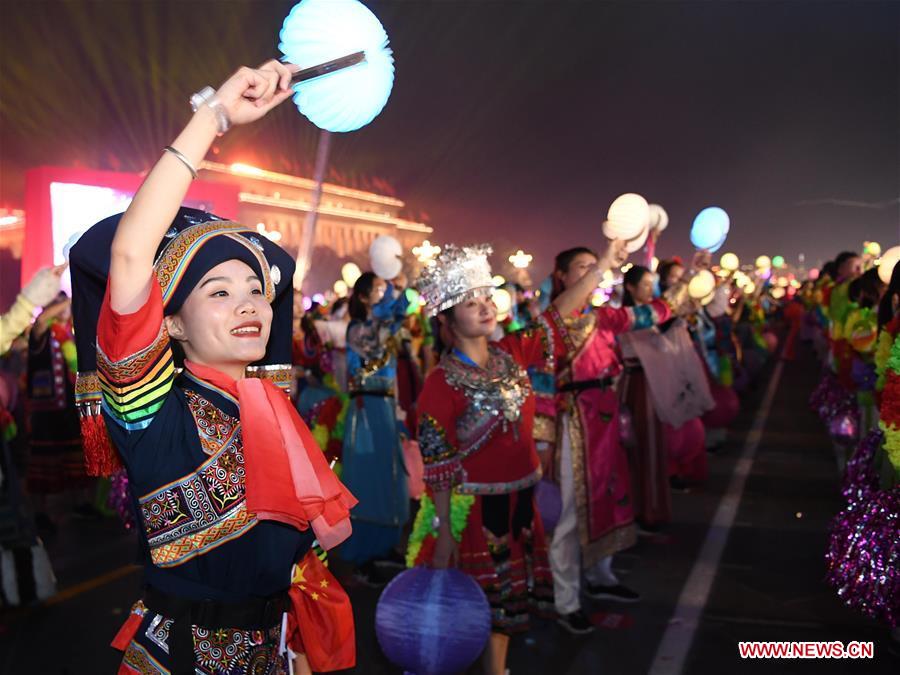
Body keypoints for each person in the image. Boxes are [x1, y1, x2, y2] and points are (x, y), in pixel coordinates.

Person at [69, 61, 355, 674]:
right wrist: (215, 117)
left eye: (255, 289)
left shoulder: (276, 411)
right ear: (169, 322)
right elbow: (129, 254)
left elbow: (298, 562)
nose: (250, 303)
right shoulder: (154, 411)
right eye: (218, 292)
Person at [410, 241, 625, 673]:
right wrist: (445, 535)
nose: (486, 308)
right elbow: (438, 468)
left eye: (487, 298)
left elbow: (560, 311)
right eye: (471, 304)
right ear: (448, 321)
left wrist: (603, 264)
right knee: (484, 608)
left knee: (507, 608)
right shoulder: (440, 382)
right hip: (476, 512)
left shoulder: (512, 352)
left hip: (520, 507)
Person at [542, 244, 680, 634]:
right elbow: (540, 386)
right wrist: (542, 441)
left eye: (594, 268)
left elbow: (648, 314)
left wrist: (683, 287)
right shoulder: (555, 320)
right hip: (574, 421)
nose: (591, 275)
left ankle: (602, 575)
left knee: (610, 498)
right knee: (569, 514)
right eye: (582, 269)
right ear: (564, 279)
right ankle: (566, 600)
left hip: (605, 420)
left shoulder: (604, 317)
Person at [339, 271, 411, 584]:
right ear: (365, 297)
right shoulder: (358, 329)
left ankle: (385, 545)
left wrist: (401, 291)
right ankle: (361, 556)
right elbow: (381, 329)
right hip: (366, 408)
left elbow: (396, 317)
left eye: (385, 289)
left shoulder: (384, 325)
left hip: (385, 406)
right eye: (379, 290)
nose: (385, 294)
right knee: (366, 479)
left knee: (390, 473)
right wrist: (395, 294)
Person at [25, 293, 94, 530]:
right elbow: (42, 319)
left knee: (74, 455)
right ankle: (40, 513)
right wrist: (73, 293)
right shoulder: (41, 332)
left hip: (68, 406)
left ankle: (80, 504)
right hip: (45, 410)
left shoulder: (69, 335)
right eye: (59, 305)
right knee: (44, 459)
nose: (65, 310)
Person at [0, 265, 66, 355]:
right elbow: (7, 329)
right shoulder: (44, 323)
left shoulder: (70, 331)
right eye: (58, 304)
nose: (61, 308)